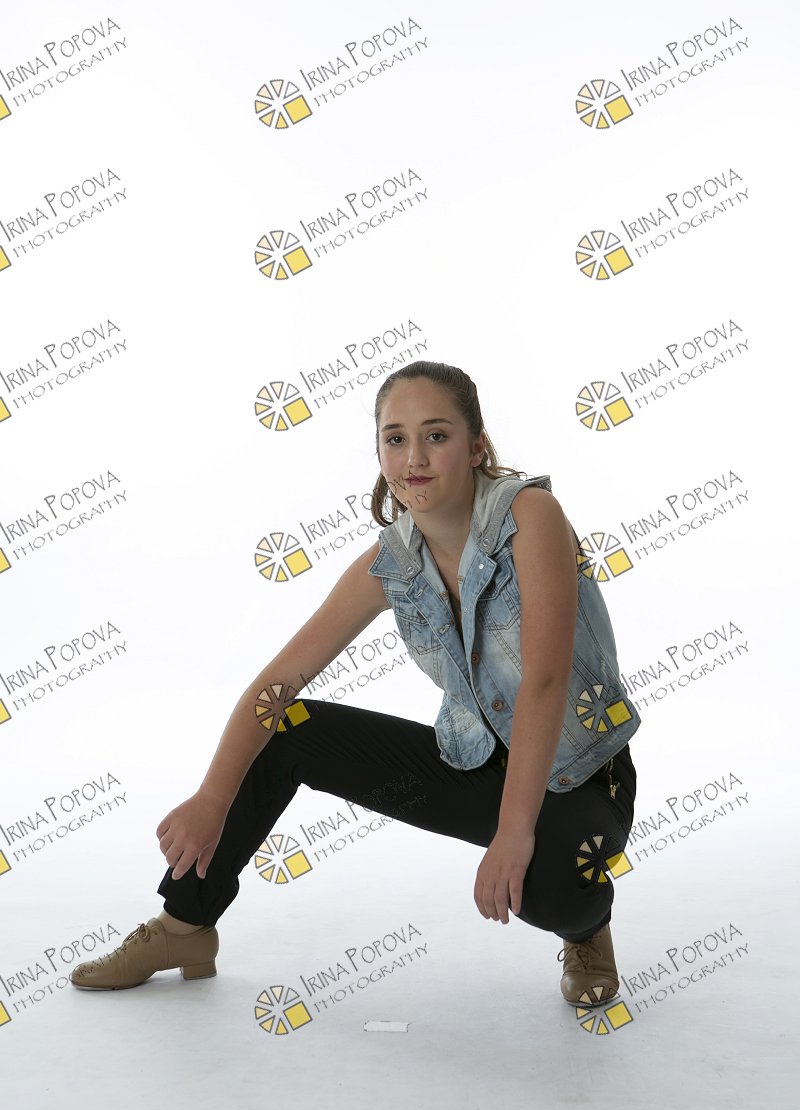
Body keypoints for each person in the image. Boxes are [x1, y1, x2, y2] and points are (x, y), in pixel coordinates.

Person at [70, 361, 641, 1007]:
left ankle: (587, 931)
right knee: (288, 728)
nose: (414, 457)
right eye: (396, 439)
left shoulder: (531, 516)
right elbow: (278, 682)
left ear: (476, 445)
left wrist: (514, 833)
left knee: (547, 888)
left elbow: (545, 680)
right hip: (478, 765)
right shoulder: (390, 563)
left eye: (436, 435)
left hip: (580, 774)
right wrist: (212, 796)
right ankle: (183, 927)